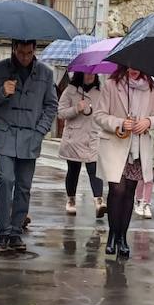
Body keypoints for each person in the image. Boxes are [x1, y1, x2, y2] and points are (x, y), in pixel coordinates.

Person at [0, 39, 58, 253]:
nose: (25, 57)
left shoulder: (45, 73)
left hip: (30, 137)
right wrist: (2, 92)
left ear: (34, 50)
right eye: (21, 52)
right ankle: (3, 231)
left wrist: (40, 130)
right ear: (14, 49)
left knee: (24, 186)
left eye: (29, 52)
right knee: (5, 180)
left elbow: (51, 105)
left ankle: (16, 232)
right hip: (4, 134)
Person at [95, 67, 154, 258]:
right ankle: (112, 235)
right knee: (117, 190)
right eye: (130, 66)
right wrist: (119, 122)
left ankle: (122, 238)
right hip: (115, 146)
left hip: (138, 148)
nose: (134, 70)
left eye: (138, 66)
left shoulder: (150, 87)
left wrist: (148, 122)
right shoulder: (111, 84)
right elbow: (99, 115)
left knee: (129, 193)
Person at [57, 71, 105, 218]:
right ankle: (71, 200)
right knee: (73, 170)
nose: (90, 76)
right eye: (87, 73)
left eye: (93, 73)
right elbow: (61, 113)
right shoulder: (70, 90)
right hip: (74, 137)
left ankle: (99, 201)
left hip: (93, 136)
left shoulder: (100, 92)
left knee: (94, 169)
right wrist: (76, 108)